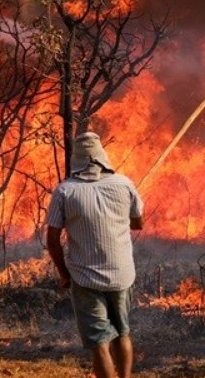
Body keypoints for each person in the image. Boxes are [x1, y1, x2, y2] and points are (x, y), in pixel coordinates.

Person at [46, 131, 144, 378]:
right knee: (122, 333)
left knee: (99, 341)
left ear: (75, 160)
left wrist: (63, 273)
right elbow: (138, 224)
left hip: (85, 276)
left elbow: (53, 240)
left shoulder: (65, 191)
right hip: (121, 275)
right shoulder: (124, 184)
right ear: (103, 156)